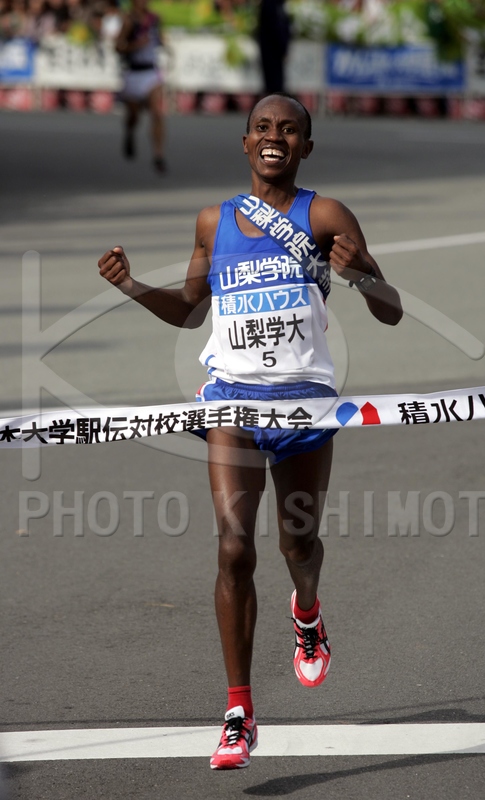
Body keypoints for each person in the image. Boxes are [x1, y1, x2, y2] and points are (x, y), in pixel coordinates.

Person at [98, 92, 402, 770]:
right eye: (263, 128)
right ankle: (239, 711)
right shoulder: (214, 220)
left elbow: (391, 312)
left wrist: (357, 277)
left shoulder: (324, 214)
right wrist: (130, 286)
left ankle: (307, 610)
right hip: (230, 406)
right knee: (234, 550)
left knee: (299, 543)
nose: (275, 138)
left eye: (289, 130)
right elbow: (186, 311)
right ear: (244, 143)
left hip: (304, 409)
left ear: (306, 147)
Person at [115, 0, 166, 174]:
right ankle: (129, 134)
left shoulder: (154, 19)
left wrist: (164, 42)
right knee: (134, 116)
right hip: (133, 73)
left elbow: (160, 38)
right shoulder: (129, 21)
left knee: (157, 114)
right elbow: (117, 46)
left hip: (151, 72)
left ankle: (158, 155)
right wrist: (136, 45)